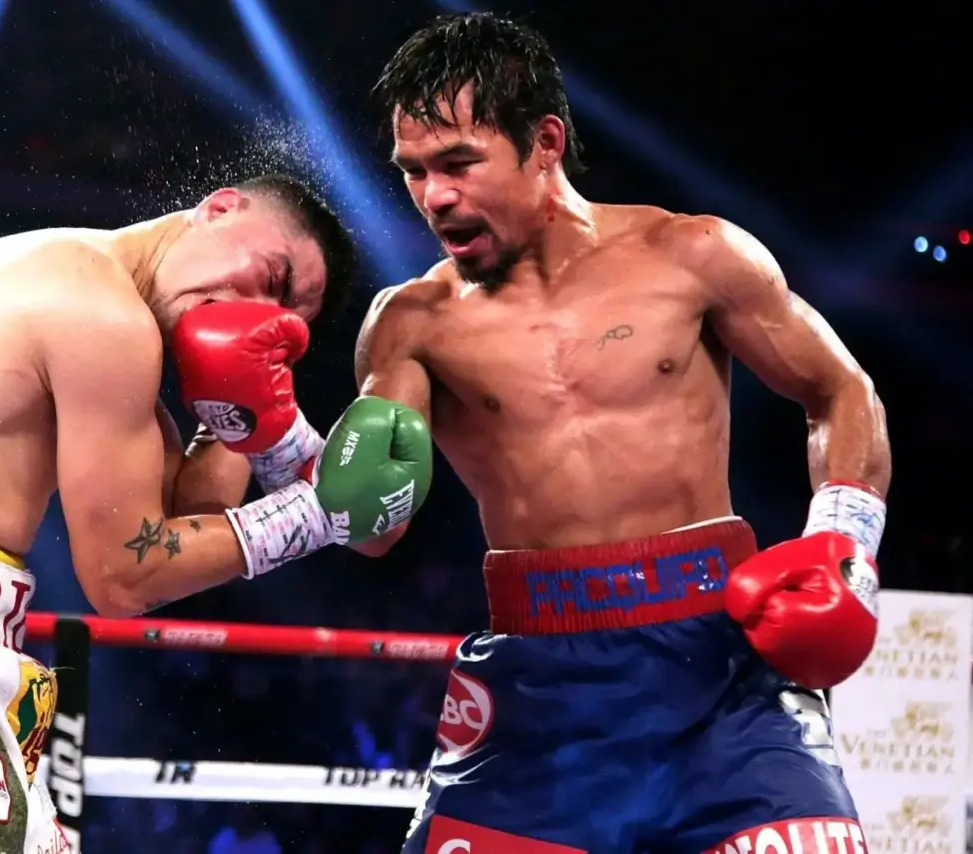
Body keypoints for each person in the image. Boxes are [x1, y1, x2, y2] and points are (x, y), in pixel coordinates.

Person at [0, 173, 433, 854]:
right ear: (220, 207)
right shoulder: (102, 314)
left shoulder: (86, 285)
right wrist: (317, 511)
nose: (256, 311)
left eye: (281, 317)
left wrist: (243, 417)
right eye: (270, 278)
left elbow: (181, 528)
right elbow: (127, 576)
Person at [361, 13, 891, 854]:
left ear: (544, 142)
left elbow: (840, 389)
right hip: (538, 692)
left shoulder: (694, 254)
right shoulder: (412, 324)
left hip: (723, 676)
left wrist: (844, 542)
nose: (435, 197)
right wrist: (269, 433)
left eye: (458, 163)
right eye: (414, 172)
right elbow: (372, 524)